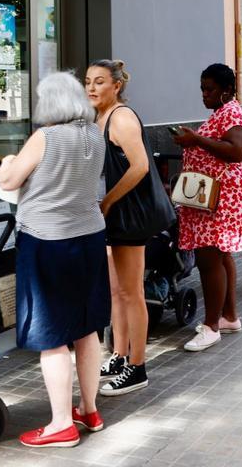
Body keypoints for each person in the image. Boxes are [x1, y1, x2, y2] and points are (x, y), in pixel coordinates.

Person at [0, 72, 109, 448]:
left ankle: (61, 424)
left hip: (48, 241)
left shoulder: (45, 136)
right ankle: (88, 409)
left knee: (53, 336)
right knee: (87, 328)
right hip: (89, 237)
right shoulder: (95, 133)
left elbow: (9, 181)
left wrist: (7, 161)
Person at [173, 63, 242, 352]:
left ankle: (210, 327)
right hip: (212, 196)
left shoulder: (232, 112)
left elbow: (237, 151)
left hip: (221, 197)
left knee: (209, 260)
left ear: (226, 90)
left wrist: (196, 139)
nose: (204, 94)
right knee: (221, 257)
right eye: (202, 89)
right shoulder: (222, 112)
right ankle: (229, 317)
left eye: (209, 89)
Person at [86, 59, 152, 397]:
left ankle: (137, 367)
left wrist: (109, 201)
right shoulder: (99, 117)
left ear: (117, 85)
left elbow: (140, 166)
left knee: (131, 292)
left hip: (126, 215)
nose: (91, 87)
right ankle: (119, 354)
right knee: (116, 292)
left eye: (99, 81)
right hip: (111, 216)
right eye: (88, 81)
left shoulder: (121, 117)